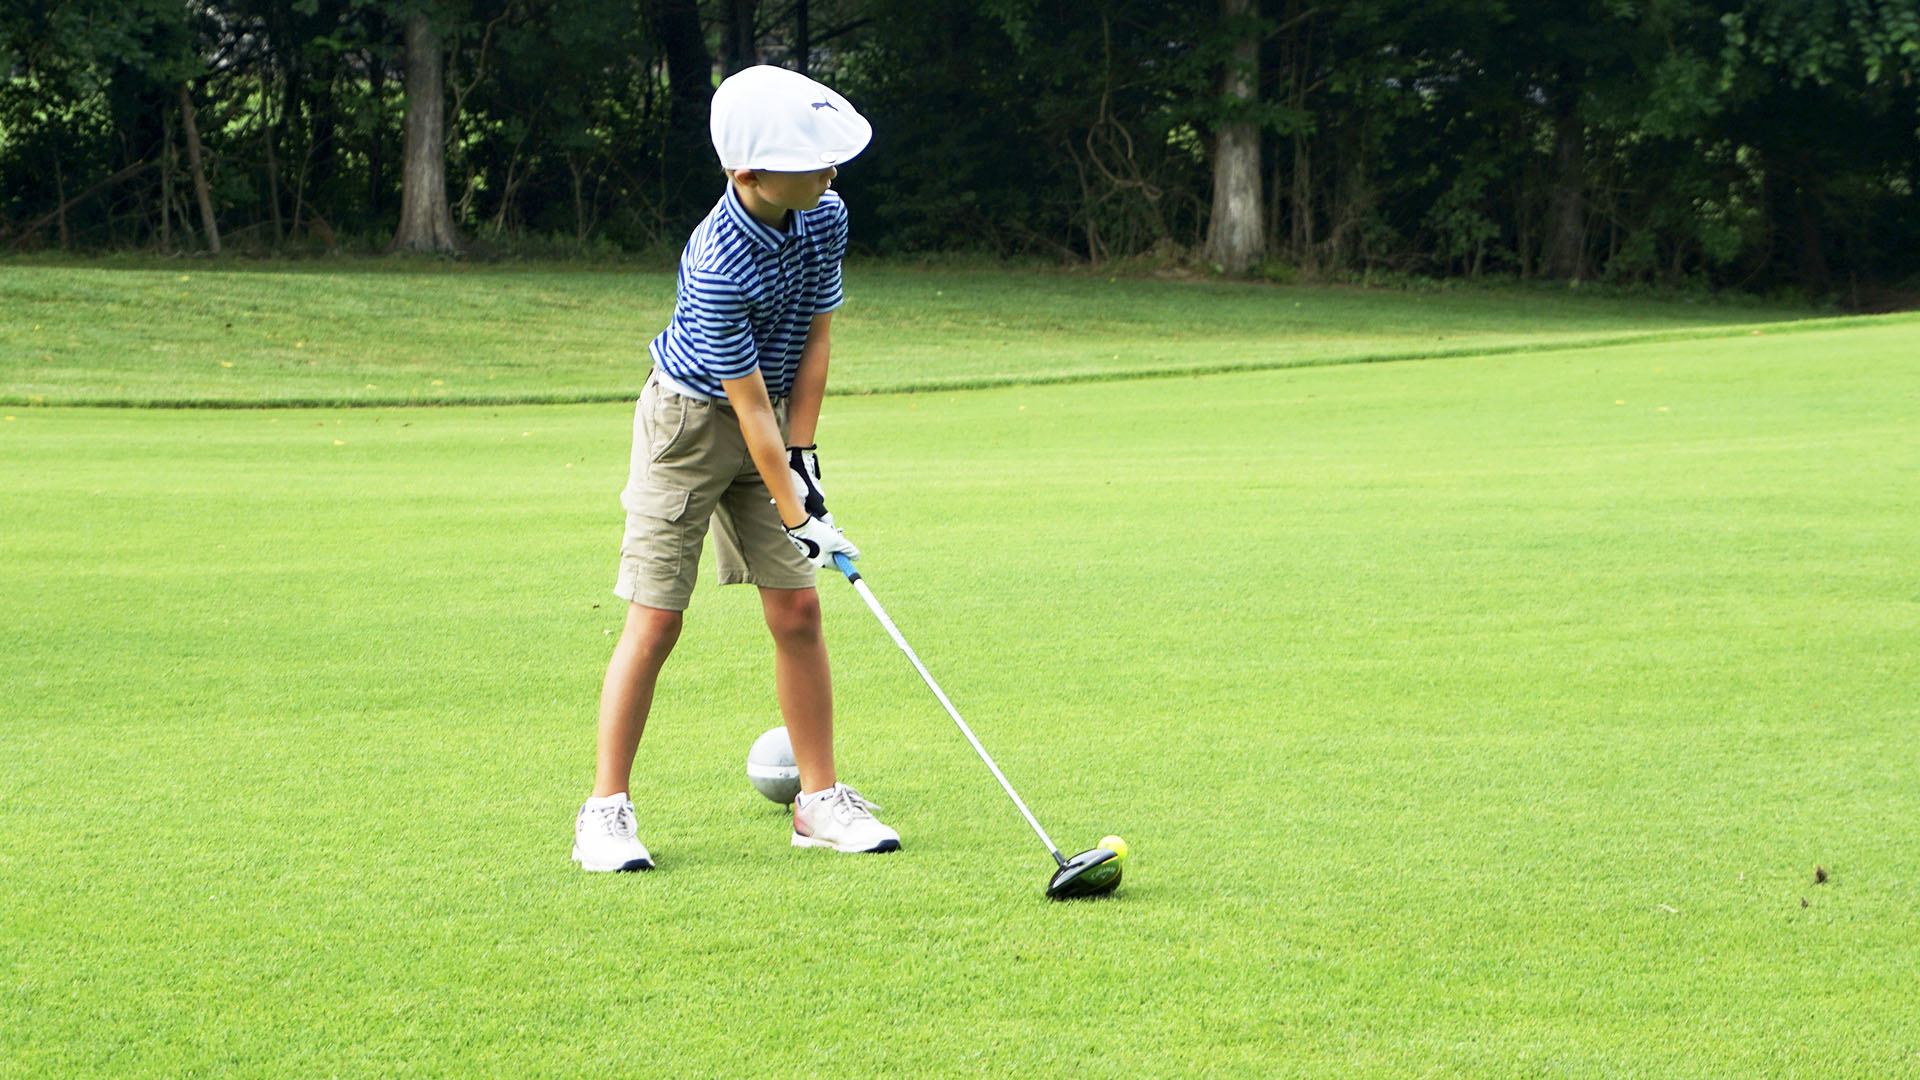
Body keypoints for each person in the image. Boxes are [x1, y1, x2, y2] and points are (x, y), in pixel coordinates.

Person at [571, 65, 900, 872]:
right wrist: (794, 508)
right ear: (748, 173)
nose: (832, 170)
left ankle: (817, 802)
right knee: (657, 620)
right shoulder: (716, 259)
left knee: (798, 613)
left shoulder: (825, 213)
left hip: (773, 422)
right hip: (688, 427)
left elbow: (818, 337)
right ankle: (604, 812)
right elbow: (742, 405)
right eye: (813, 158)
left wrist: (805, 457)